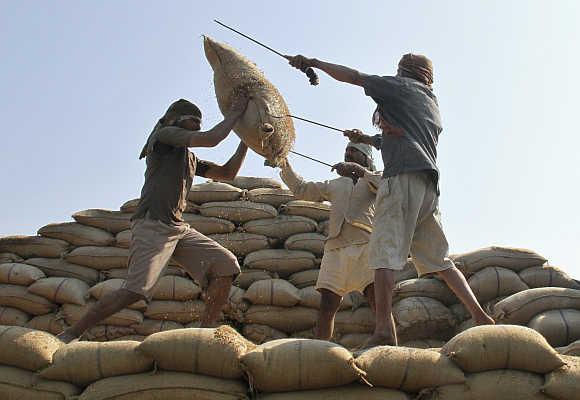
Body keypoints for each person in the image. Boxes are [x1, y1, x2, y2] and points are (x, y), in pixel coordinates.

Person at [286, 53, 494, 347]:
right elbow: (395, 137)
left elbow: (354, 76)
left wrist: (313, 63)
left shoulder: (399, 87)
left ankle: (384, 329)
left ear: (403, 71)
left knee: (384, 255)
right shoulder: (428, 101)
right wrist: (368, 138)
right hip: (427, 186)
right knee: (440, 259)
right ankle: (480, 316)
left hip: (402, 181)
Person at [57, 97, 249, 343]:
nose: (198, 127)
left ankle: (203, 335)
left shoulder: (188, 157)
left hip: (177, 228)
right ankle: (71, 333)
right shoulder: (165, 136)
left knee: (226, 266)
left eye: (199, 124)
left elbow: (227, 173)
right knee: (134, 291)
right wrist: (236, 114)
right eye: (193, 122)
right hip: (152, 224)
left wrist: (246, 140)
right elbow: (212, 139)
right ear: (175, 120)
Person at [278, 141, 381, 340]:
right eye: (346, 151)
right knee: (327, 304)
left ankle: (389, 346)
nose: (348, 154)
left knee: (377, 302)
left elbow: (387, 186)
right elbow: (302, 189)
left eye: (354, 151)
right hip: (336, 248)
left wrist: (358, 170)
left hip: (365, 246)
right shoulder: (335, 184)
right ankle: (320, 350)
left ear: (366, 159)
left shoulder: (375, 179)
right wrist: (283, 163)